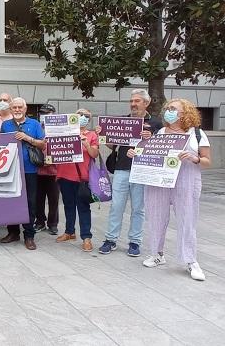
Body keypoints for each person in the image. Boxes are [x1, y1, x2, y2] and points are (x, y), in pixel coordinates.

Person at [128, 99, 211, 281]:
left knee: (187, 218)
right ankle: (157, 254)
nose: (168, 111)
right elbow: (148, 154)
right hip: (159, 182)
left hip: (186, 181)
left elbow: (207, 161)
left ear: (185, 113)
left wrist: (194, 157)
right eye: (167, 109)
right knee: (156, 216)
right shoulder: (160, 133)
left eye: (173, 109)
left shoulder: (196, 134)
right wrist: (135, 153)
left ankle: (190, 260)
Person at [96, 89, 163, 257]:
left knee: (138, 208)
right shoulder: (122, 121)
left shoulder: (156, 123)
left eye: (137, 101)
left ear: (146, 103)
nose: (133, 104)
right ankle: (110, 239)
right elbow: (112, 146)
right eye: (131, 101)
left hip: (142, 171)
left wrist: (151, 138)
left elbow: (161, 147)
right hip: (122, 168)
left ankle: (135, 242)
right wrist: (103, 137)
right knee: (116, 206)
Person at [0, 97, 46, 250]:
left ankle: (29, 235)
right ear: (11, 110)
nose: (17, 110)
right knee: (11, 201)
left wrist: (27, 138)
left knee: (30, 203)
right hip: (10, 170)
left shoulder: (35, 124)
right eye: (15, 108)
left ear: (26, 109)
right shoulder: (5, 125)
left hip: (29, 170)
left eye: (20, 107)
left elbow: (43, 144)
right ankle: (13, 233)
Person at [55, 108, 99, 252]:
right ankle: (69, 232)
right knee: (68, 205)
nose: (83, 117)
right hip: (64, 174)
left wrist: (86, 143)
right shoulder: (64, 132)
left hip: (82, 177)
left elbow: (94, 154)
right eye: (80, 115)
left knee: (83, 207)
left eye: (86, 116)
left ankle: (86, 238)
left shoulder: (91, 135)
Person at [34, 104, 60, 236]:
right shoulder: (36, 127)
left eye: (48, 113)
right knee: (38, 199)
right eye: (42, 113)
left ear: (54, 114)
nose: (44, 115)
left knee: (53, 199)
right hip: (38, 170)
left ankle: (53, 223)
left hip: (54, 171)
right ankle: (39, 221)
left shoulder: (60, 129)